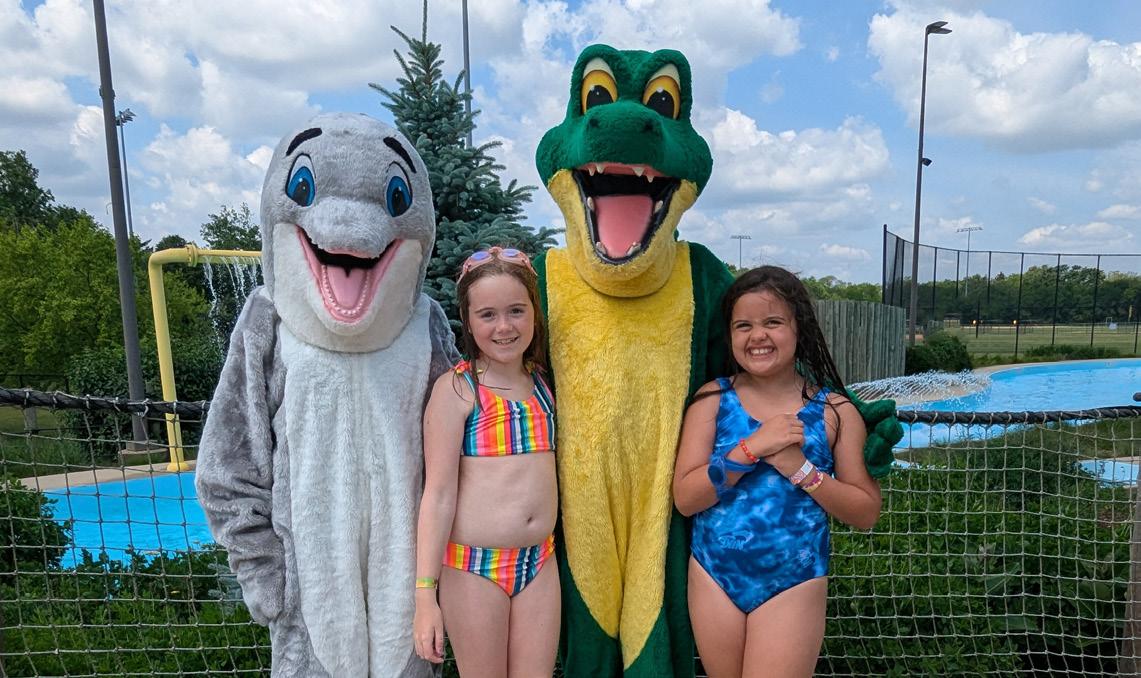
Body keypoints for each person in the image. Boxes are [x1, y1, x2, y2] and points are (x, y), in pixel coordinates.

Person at [673, 266, 883, 678]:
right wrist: (751, 448)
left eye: (773, 322)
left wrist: (801, 469)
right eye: (744, 325)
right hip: (714, 575)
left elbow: (865, 511)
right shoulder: (712, 400)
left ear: (799, 328)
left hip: (794, 581)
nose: (758, 336)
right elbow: (685, 498)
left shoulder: (834, 411)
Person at [413, 246, 561, 677]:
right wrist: (425, 596)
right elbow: (438, 495)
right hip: (474, 567)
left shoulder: (544, 385)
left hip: (540, 561)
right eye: (487, 315)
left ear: (534, 313)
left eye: (516, 311)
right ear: (468, 319)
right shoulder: (458, 391)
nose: (504, 327)